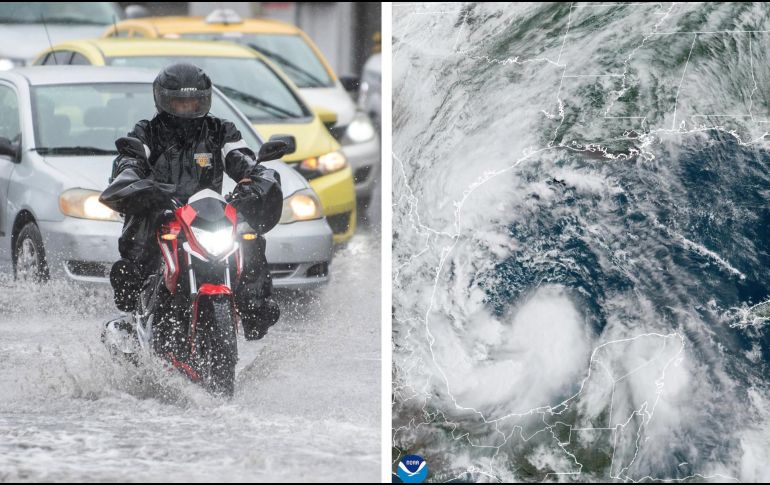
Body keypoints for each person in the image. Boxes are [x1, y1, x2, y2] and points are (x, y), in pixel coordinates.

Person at [99, 62, 282, 340]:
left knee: (247, 235)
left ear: (204, 100)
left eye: (193, 102)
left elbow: (240, 157)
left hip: (209, 217)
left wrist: (256, 174)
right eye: (180, 102)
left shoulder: (220, 130)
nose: (187, 108)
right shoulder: (149, 131)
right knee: (142, 239)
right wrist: (134, 176)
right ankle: (135, 308)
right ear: (163, 100)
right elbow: (131, 159)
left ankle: (255, 308)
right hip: (165, 212)